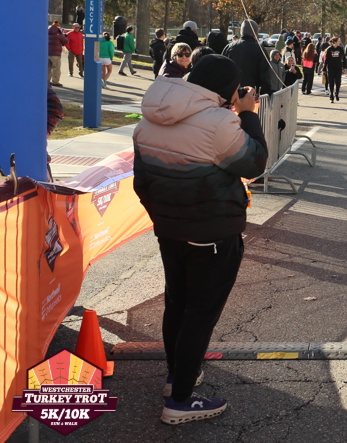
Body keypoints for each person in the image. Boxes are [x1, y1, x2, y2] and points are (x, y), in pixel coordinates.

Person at [132, 54, 267, 425]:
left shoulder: (149, 118)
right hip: (212, 232)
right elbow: (255, 163)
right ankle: (180, 401)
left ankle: (177, 376)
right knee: (200, 314)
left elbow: (141, 182)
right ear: (227, 90)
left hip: (169, 230)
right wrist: (248, 114)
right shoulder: (221, 122)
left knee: (177, 302)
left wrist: (166, 218)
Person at [222, 20, 276, 94]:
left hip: (231, 93)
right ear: (255, 33)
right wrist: (266, 93)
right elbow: (265, 75)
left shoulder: (229, 47)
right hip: (251, 94)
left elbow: (222, 70)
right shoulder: (260, 49)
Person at [322, 36, 346, 101]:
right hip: (331, 68)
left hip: (338, 68)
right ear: (335, 42)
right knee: (331, 82)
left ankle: (337, 93)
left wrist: (345, 67)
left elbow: (344, 58)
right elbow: (326, 60)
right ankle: (331, 96)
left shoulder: (340, 49)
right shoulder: (329, 49)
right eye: (338, 41)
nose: (339, 42)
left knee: (338, 82)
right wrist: (324, 69)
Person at [48, 21, 68, 86]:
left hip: (47, 53)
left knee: (48, 68)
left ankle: (47, 81)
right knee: (56, 68)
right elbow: (65, 41)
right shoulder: (58, 34)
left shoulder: (47, 32)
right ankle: (55, 81)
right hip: (55, 54)